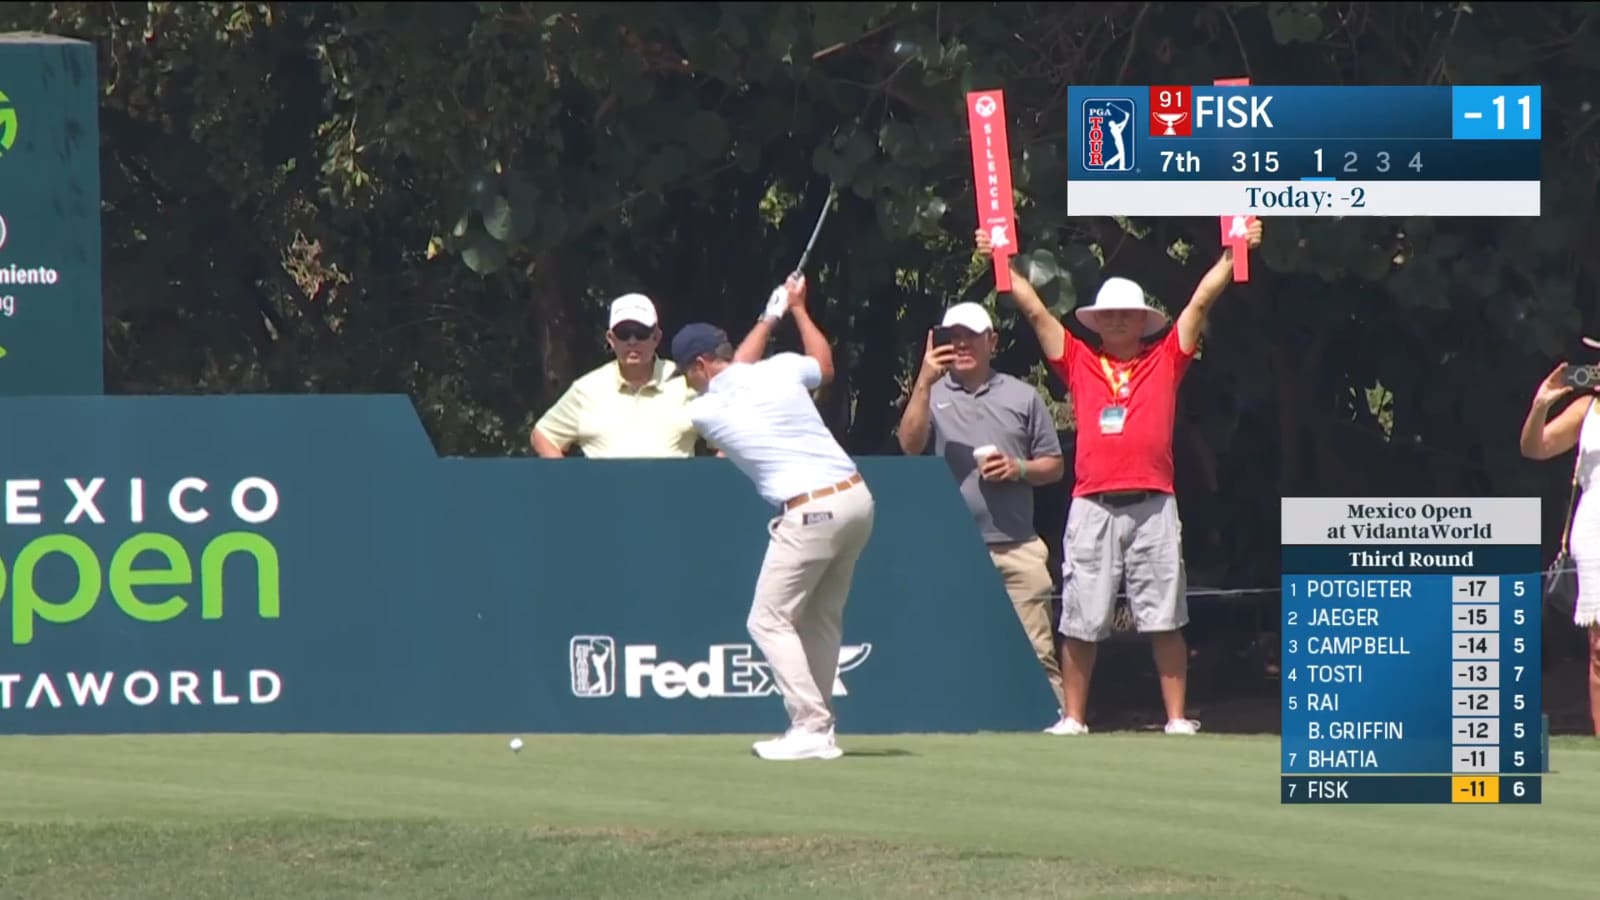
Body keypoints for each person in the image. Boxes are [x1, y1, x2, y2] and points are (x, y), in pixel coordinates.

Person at [977, 219, 1263, 735]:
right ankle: (1073, 718)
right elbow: (1037, 312)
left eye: (1124, 314)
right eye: (1107, 314)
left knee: (1165, 615)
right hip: (1092, 503)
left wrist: (1230, 257)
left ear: (1141, 319)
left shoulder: (1166, 360)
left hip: (1154, 503)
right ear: (1097, 320)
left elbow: (1198, 305)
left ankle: (1176, 718)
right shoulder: (1081, 362)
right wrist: (1002, 260)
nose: (1115, 320)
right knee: (1081, 617)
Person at [670, 273, 875, 761]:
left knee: (767, 619)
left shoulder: (707, 411)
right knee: (821, 619)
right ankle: (819, 732)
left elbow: (737, 369)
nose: (687, 382)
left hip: (810, 512)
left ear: (700, 366)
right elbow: (824, 366)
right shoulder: (781, 368)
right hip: (857, 500)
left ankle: (809, 724)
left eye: (686, 372)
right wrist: (796, 311)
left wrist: (771, 314)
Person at [894, 301, 1072, 732]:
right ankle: (951, 728)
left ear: (992, 341)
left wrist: (1019, 469)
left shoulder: (1022, 396)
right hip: (954, 552)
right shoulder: (932, 395)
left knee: (1036, 650)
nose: (961, 344)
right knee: (950, 648)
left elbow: (1054, 466)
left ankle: (1056, 727)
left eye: (971, 335)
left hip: (1017, 546)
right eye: (953, 335)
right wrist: (922, 382)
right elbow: (909, 446)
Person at [1518, 356, 1600, 735]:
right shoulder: (1588, 409)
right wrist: (1541, 404)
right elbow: (1536, 448)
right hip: (1593, 537)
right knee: (1599, 651)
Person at [531, 293, 698, 458]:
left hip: (674, 486)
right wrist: (568, 481)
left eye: (640, 332)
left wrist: (714, 480)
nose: (632, 341)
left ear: (656, 337)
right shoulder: (587, 388)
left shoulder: (688, 380)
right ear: (611, 339)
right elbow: (543, 435)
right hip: (605, 486)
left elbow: (724, 431)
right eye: (624, 333)